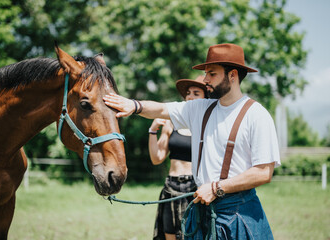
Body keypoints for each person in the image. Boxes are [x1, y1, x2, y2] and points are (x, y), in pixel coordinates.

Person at [103, 43, 281, 239]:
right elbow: (162, 109)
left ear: (233, 75)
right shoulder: (200, 109)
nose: (205, 80)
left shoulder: (256, 115)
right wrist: (134, 105)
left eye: (212, 73)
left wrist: (216, 188)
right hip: (202, 213)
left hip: (238, 213)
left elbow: (264, 172)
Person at [150, 76, 207, 240]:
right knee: (170, 235)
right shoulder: (172, 123)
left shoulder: (207, 125)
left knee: (193, 234)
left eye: (196, 93)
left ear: (206, 98)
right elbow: (157, 158)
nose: (190, 97)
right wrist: (152, 131)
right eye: (188, 93)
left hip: (195, 187)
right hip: (171, 186)